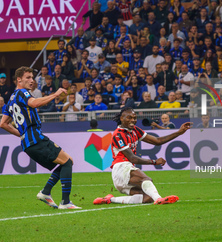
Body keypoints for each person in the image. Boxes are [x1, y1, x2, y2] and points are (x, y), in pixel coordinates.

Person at [0, 66, 81, 209]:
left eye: (32, 78)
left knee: (66, 162)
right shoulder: (22, 93)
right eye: (28, 78)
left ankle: (46, 192)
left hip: (27, 142)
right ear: (19, 79)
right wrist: (55, 94)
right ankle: (65, 202)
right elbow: (35, 103)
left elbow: (3, 123)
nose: (32, 81)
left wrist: (21, 134)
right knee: (67, 162)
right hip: (36, 138)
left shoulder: (10, 100)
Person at [92, 107, 192, 205]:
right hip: (121, 168)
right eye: (129, 118)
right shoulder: (118, 135)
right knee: (146, 179)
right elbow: (132, 158)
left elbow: (157, 141)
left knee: (147, 197)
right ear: (122, 119)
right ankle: (159, 199)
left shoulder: (135, 130)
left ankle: (109, 199)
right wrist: (154, 161)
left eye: (134, 118)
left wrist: (179, 132)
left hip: (127, 171)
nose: (133, 120)